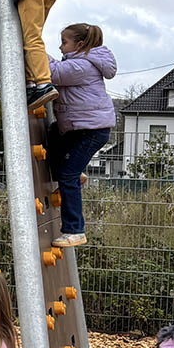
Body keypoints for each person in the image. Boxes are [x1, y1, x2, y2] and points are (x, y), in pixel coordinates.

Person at [46, 23, 116, 247]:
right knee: (53, 135)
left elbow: (53, 73)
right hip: (80, 128)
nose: (60, 47)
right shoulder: (81, 62)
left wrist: (35, 50)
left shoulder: (82, 66)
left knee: (67, 174)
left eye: (64, 42)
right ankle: (76, 176)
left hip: (90, 131)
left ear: (80, 44)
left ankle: (75, 230)